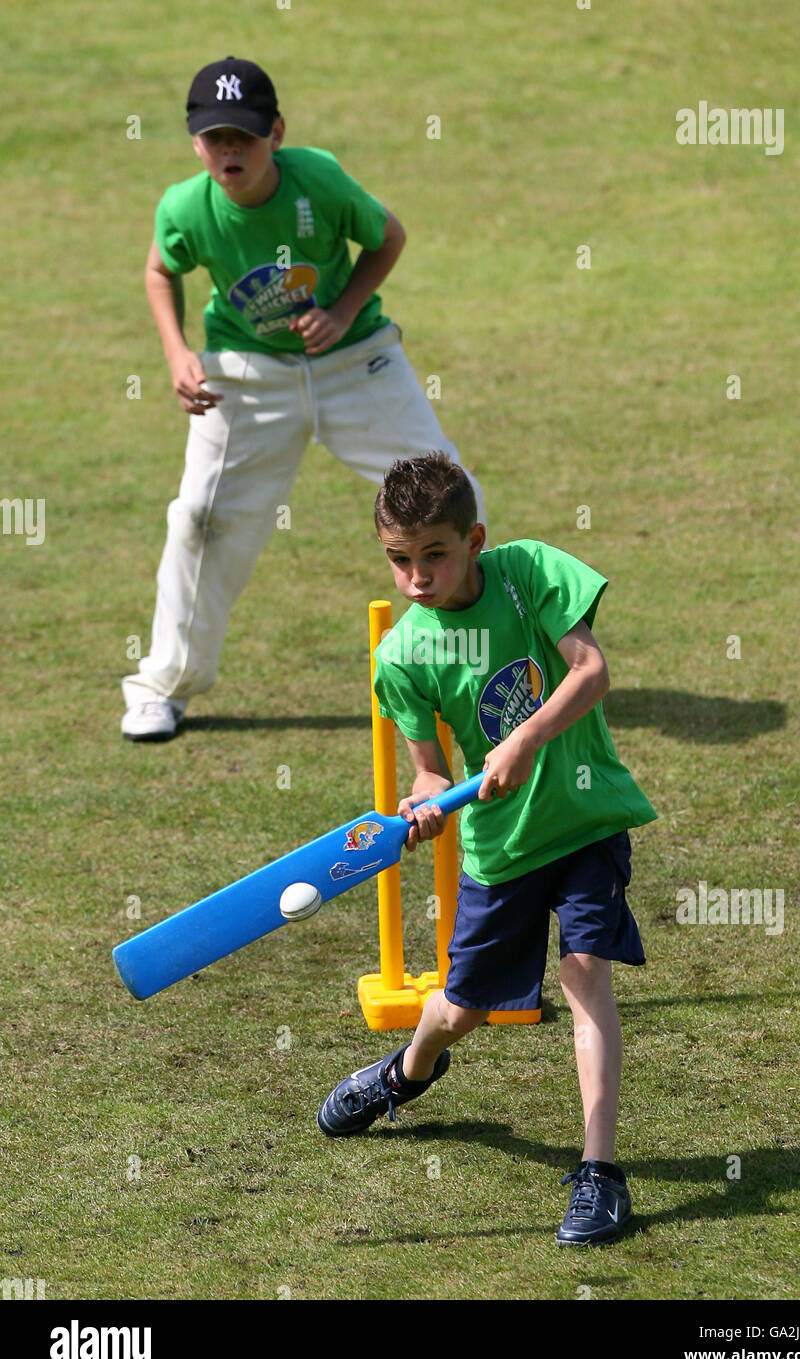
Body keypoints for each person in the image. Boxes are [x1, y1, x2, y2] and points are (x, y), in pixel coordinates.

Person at [317, 451, 657, 1247]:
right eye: (398, 560)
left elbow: (591, 671)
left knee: (584, 977)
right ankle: (405, 1072)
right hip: (501, 848)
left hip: (585, 821)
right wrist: (426, 801)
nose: (415, 579)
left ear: (473, 539)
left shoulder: (527, 573)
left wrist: (526, 742)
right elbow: (430, 770)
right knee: (464, 1009)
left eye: (433, 554)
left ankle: (599, 1173)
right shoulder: (402, 655)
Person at [121, 57, 484, 741]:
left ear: (276, 133)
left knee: (451, 492)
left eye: (245, 137)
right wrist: (177, 353)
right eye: (215, 137)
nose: (230, 151)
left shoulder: (319, 177)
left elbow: (388, 236)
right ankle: (163, 687)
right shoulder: (184, 208)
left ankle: (482, 658)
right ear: (195, 142)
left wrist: (345, 311)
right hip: (246, 374)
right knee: (198, 517)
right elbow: (159, 268)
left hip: (357, 362)